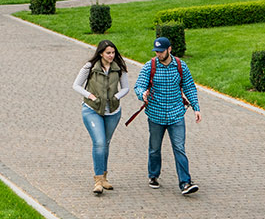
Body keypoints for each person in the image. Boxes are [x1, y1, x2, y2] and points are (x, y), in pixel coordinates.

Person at [134, 36, 201, 195]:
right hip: (155, 115)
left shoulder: (180, 65)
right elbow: (140, 85)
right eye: (156, 51)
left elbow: (189, 87)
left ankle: (185, 183)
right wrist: (142, 94)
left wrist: (196, 108)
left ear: (169, 49)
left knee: (179, 148)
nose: (158, 54)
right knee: (154, 149)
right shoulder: (149, 66)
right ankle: (153, 175)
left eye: (161, 51)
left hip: (176, 114)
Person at [74, 40, 132, 196]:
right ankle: (98, 180)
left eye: (113, 53)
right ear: (100, 53)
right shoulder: (90, 67)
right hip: (92, 109)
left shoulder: (119, 68)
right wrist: (90, 96)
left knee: (105, 143)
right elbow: (76, 85)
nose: (111, 56)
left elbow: (126, 88)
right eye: (108, 53)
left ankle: (105, 177)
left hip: (113, 111)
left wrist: (116, 96)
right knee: (99, 142)